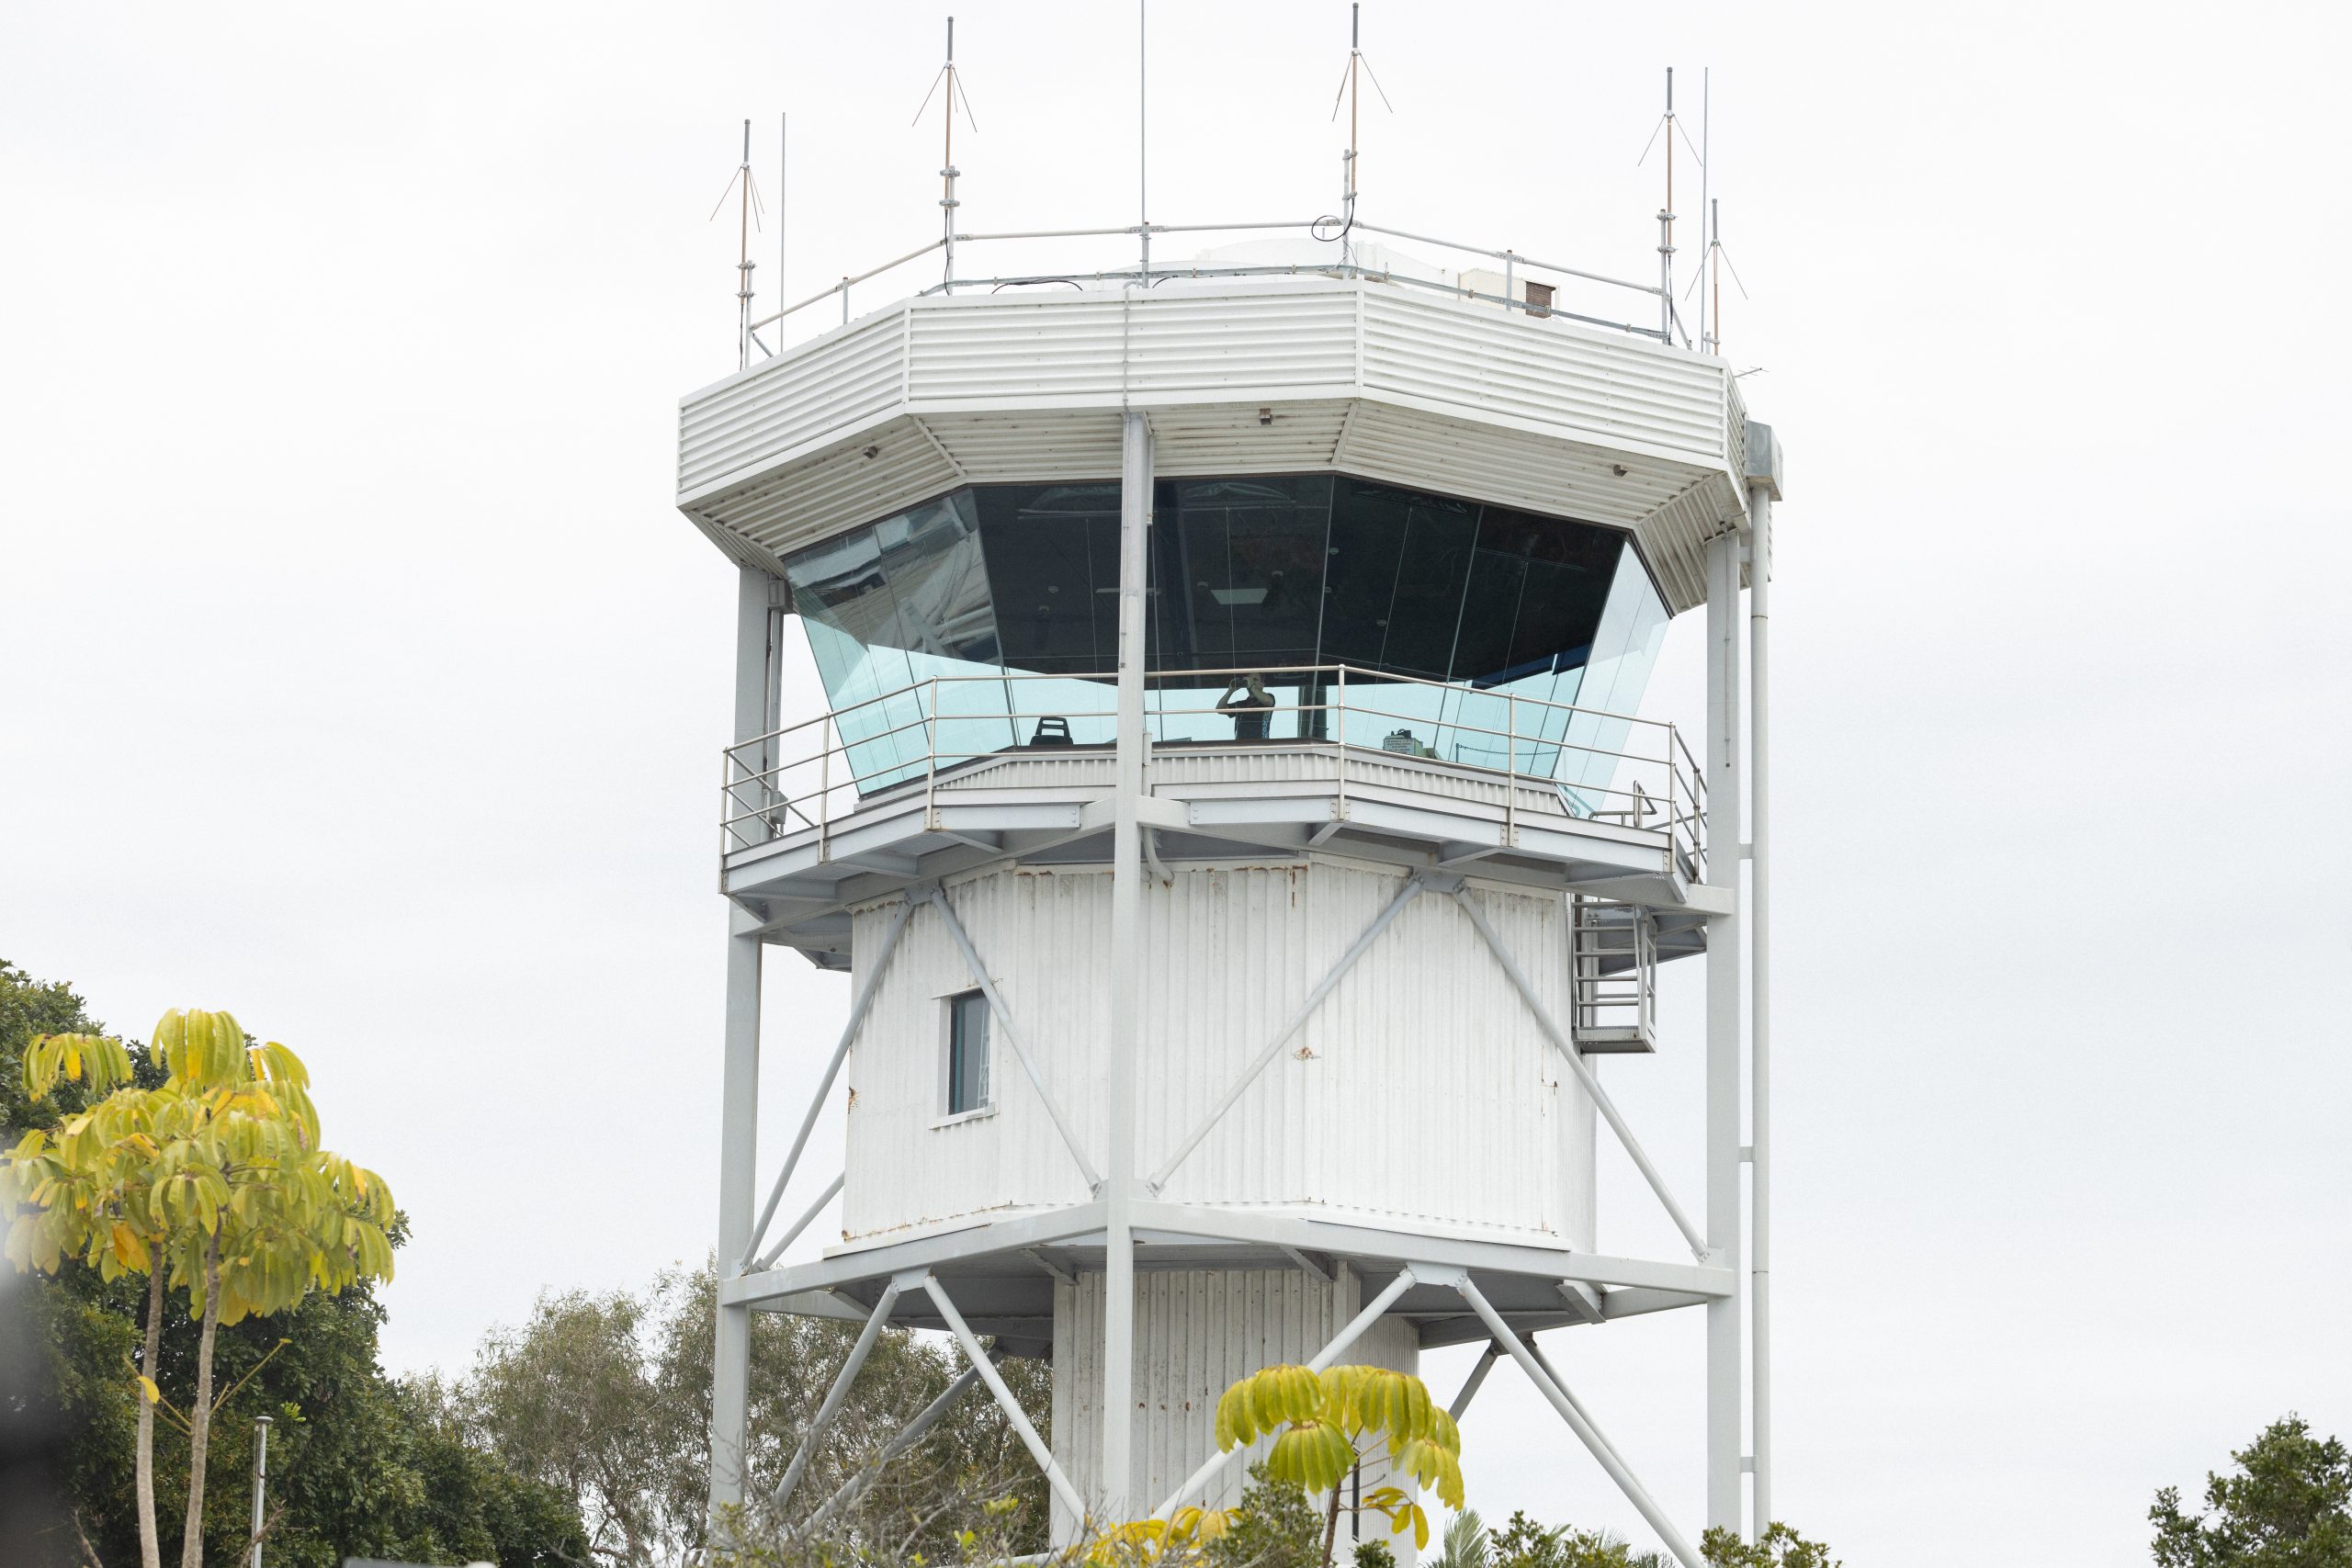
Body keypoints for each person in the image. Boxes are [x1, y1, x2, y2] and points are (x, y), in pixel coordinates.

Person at [1217, 673, 1276, 740]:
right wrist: (1230, 691)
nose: (1252, 682)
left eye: (1255, 680)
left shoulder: (1269, 697)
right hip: (1242, 746)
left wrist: (1252, 687)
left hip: (1260, 744)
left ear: (1262, 684)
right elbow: (1220, 709)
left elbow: (1268, 701)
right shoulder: (1242, 704)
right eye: (1250, 680)